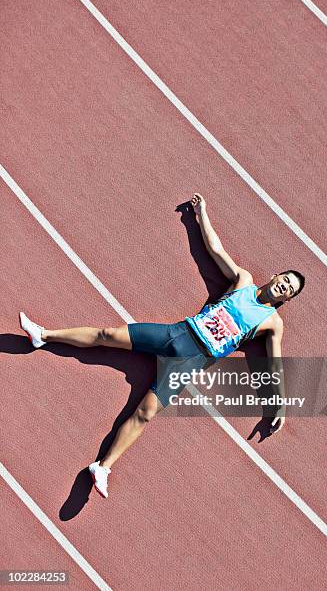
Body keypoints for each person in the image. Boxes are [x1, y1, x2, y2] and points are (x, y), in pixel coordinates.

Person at [19, 193, 305, 498]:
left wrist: (279, 405)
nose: (284, 285)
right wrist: (199, 214)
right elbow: (214, 249)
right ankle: (43, 335)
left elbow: (272, 364)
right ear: (275, 276)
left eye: (289, 289)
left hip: (194, 360)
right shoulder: (243, 281)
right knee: (107, 334)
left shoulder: (272, 323)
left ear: (285, 299)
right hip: (178, 334)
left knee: (145, 413)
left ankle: (102, 467)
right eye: (285, 278)